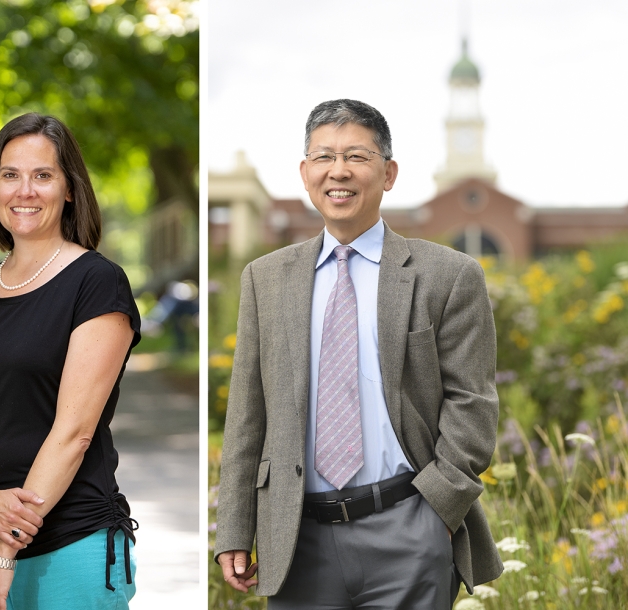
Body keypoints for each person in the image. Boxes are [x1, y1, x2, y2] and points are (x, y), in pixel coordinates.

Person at [213, 99, 503, 608]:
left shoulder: (448, 275)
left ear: (388, 173)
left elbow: (472, 401)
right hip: (296, 537)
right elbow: (247, 413)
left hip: (409, 526)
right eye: (323, 157)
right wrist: (235, 527)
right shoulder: (265, 278)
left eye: (357, 156)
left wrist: (437, 504)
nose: (338, 171)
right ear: (305, 173)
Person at [0, 113, 141, 610]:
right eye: (10, 175)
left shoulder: (97, 284)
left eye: (43, 175)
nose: (25, 190)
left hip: (68, 546)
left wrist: (6, 550)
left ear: (69, 190)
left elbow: (73, 433)